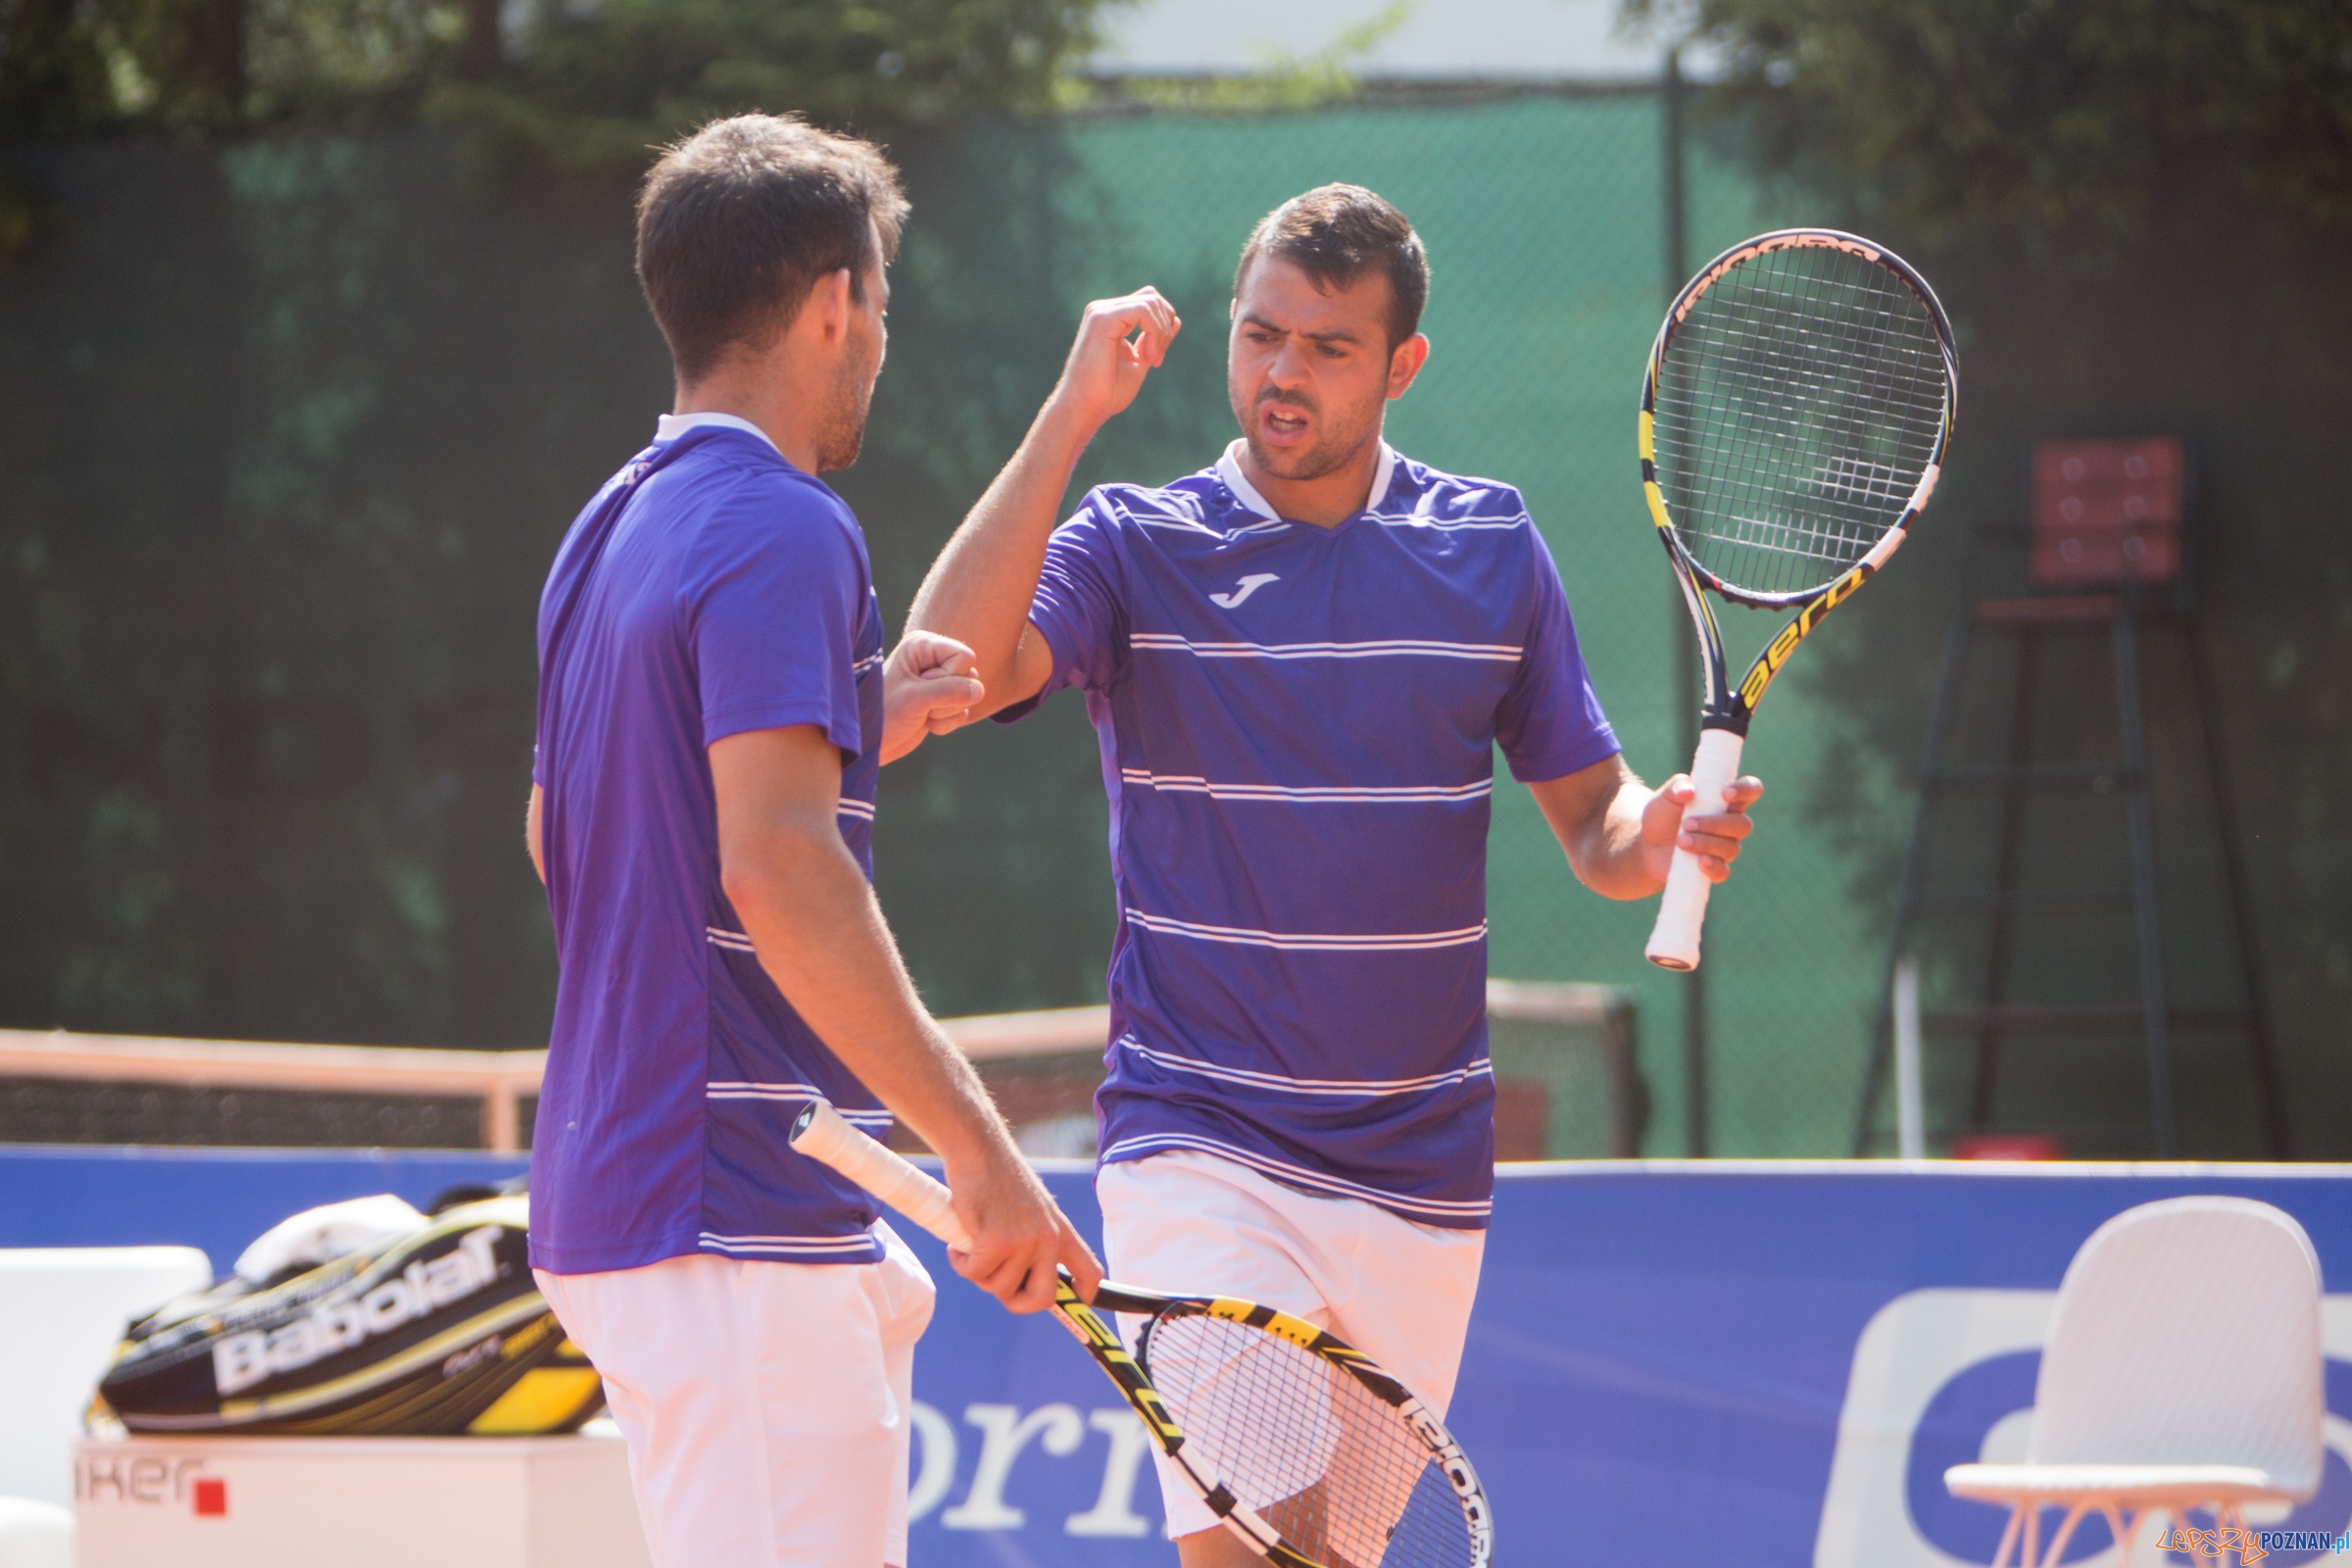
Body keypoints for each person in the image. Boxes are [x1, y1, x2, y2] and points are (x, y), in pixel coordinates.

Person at [901, 183, 1762, 1565]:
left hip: (1422, 1175)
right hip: (1204, 1145)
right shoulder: (1134, 543)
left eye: (1327, 346)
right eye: (1261, 336)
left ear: (1402, 365)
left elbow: (1596, 828)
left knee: (1333, 1559)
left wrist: (1652, 831)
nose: (1283, 374)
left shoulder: (1490, 549)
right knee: (1255, 1551)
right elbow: (940, 674)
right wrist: (1069, 416)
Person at [522, 114, 1107, 1568]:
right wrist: (980, 1151)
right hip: (729, 1222)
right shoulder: (789, 524)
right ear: (835, 303)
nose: (880, 346)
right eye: (882, 308)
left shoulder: (606, 526)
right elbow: (776, 867)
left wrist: (844, 722)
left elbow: (564, 828)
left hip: (636, 1204)